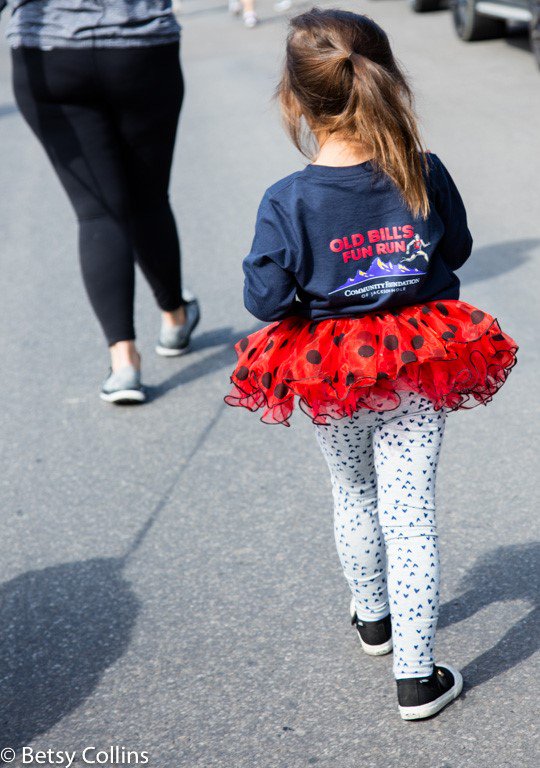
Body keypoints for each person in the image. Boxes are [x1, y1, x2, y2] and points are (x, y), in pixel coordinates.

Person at [225, 8, 518, 720]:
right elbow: (455, 249)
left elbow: (266, 299)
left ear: (296, 99)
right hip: (420, 359)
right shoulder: (421, 169)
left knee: (353, 490)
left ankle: (374, 619)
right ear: (386, 78)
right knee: (410, 515)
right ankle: (417, 677)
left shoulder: (288, 200)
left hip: (335, 370)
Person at [0, 0, 200, 403]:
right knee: (149, 200)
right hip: (141, 45)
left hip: (49, 53)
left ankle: (124, 364)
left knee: (97, 215)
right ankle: (175, 320)